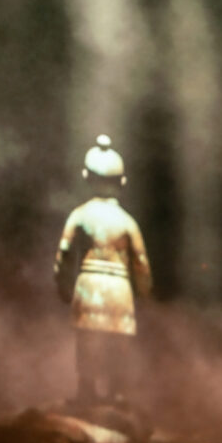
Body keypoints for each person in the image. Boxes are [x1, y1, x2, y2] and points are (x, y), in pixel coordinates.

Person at [53, 134, 153, 404]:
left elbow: (63, 255)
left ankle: (86, 390)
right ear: (122, 182)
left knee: (86, 343)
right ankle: (116, 394)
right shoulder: (127, 221)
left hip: (88, 288)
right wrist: (144, 291)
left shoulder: (80, 215)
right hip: (119, 291)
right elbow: (141, 263)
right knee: (118, 346)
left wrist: (63, 285)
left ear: (86, 176)